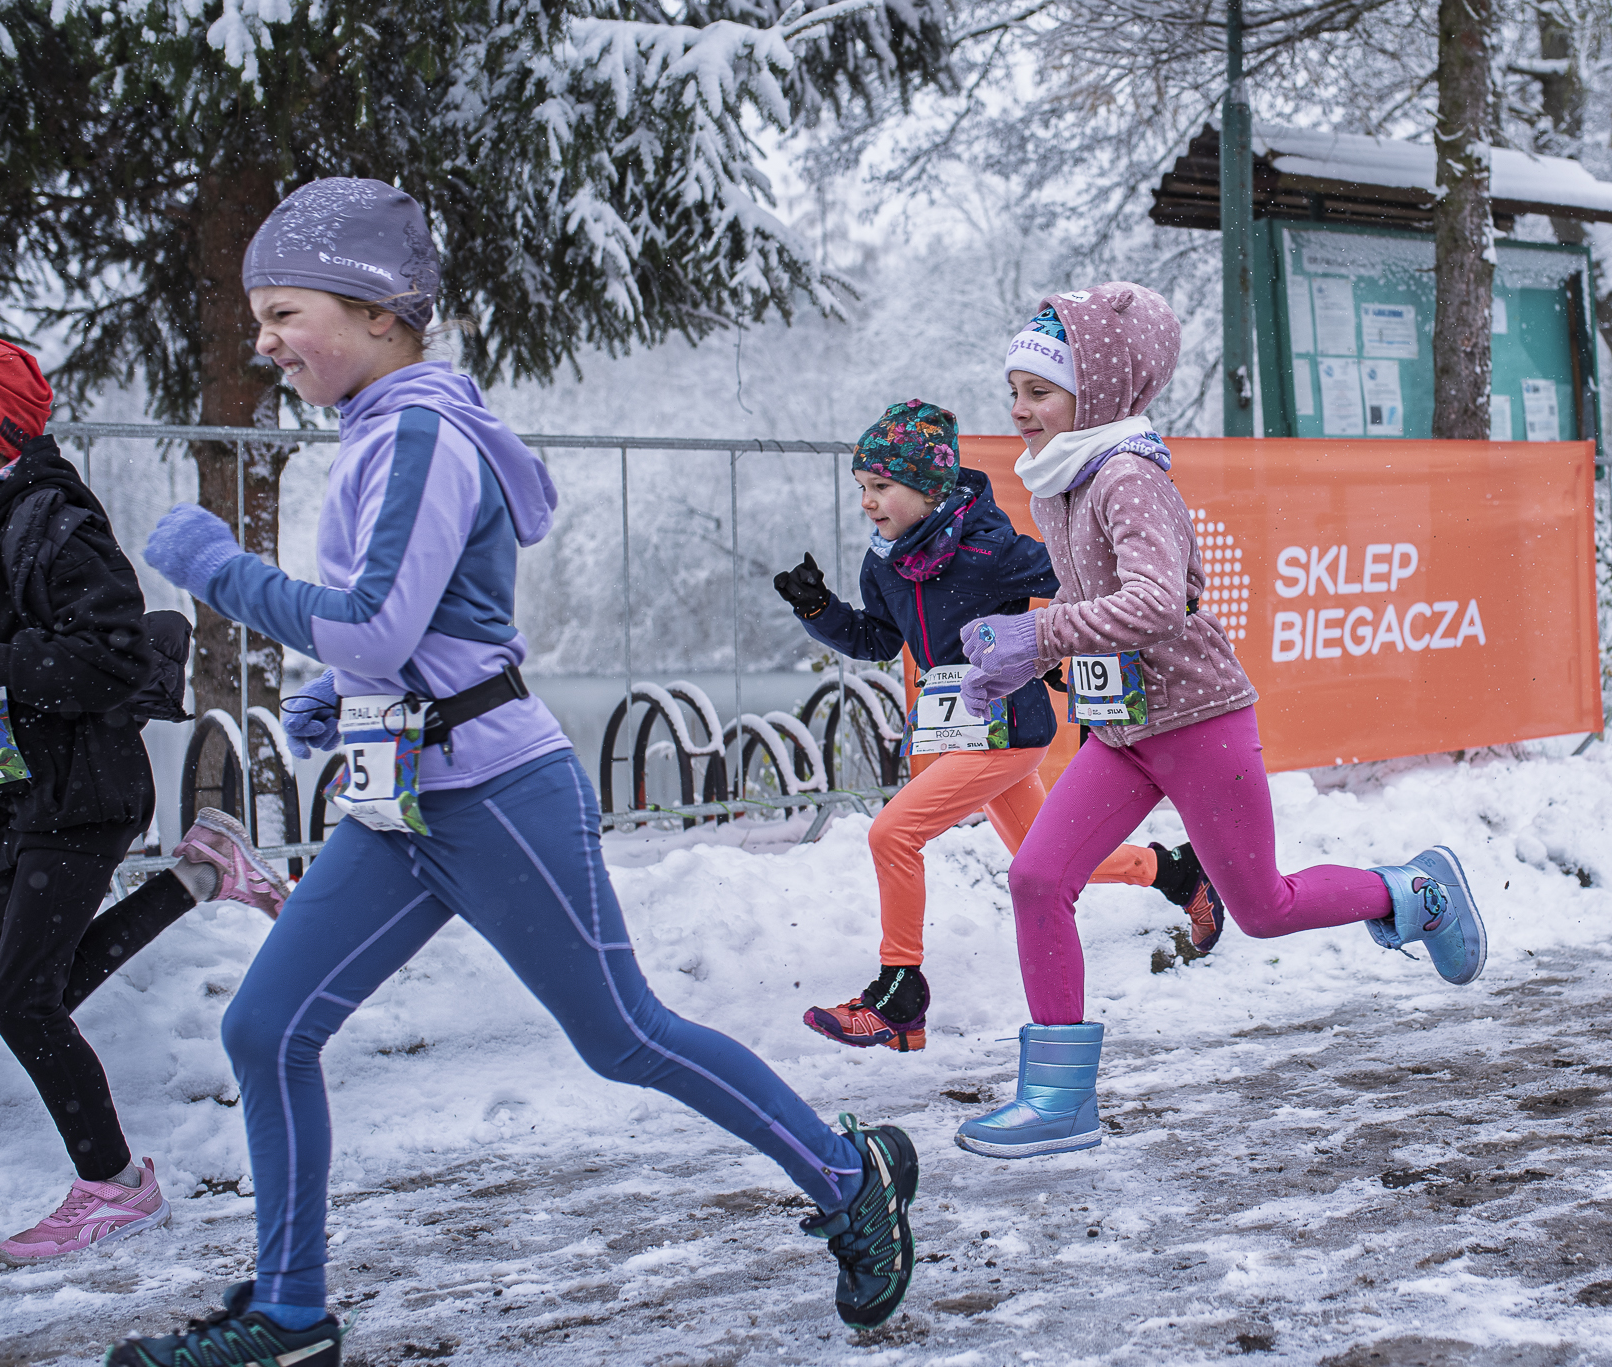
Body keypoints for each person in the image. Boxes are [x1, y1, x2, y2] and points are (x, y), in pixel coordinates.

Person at [111, 179, 916, 1366]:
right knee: (267, 1027)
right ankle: (288, 1314)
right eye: (259, 317)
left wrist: (219, 566)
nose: (265, 342)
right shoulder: (382, 427)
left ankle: (849, 1179)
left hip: (494, 793)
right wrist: (357, 695)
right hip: (403, 800)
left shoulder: (422, 432)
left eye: (285, 313)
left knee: (622, 1034)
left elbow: (378, 619)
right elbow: (426, 627)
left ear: (379, 310)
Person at [950, 283, 1489, 1159]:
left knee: (1263, 908)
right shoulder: (1060, 482)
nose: (1018, 410)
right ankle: (1057, 1100)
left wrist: (1038, 632)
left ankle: (1414, 891)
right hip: (1123, 729)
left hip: (1199, 719)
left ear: (1097, 391)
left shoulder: (1126, 476)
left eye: (1039, 391)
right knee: (1037, 879)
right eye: (1013, 389)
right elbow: (1095, 613)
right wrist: (1016, 665)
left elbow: (1157, 603)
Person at [0, 333, 290, 1266]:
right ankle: (199, 873)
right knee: (32, 995)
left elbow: (111, 660)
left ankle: (116, 1186)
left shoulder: (55, 523)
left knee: (23, 1002)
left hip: (84, 790)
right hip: (23, 792)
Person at [773, 399, 1227, 1053]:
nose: (868, 501)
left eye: (881, 486)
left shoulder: (989, 549)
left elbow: (1081, 576)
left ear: (927, 488)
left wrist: (1072, 640)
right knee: (1043, 857)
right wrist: (820, 610)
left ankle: (900, 994)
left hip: (1010, 726)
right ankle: (1176, 871)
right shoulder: (885, 563)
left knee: (893, 833)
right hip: (959, 730)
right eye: (862, 487)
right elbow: (878, 639)